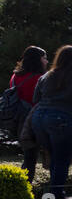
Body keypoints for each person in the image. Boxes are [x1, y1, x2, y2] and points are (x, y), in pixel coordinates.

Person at [28, 45, 72, 199]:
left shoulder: (46, 76)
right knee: (62, 160)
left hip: (39, 119)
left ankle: (52, 198)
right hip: (61, 120)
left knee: (53, 159)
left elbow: (36, 98)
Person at [7, 46, 46, 184]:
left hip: (17, 120)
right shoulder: (39, 78)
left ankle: (23, 188)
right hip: (32, 121)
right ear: (37, 60)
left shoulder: (14, 76)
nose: (46, 61)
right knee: (31, 157)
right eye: (44, 58)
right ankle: (25, 189)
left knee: (28, 155)